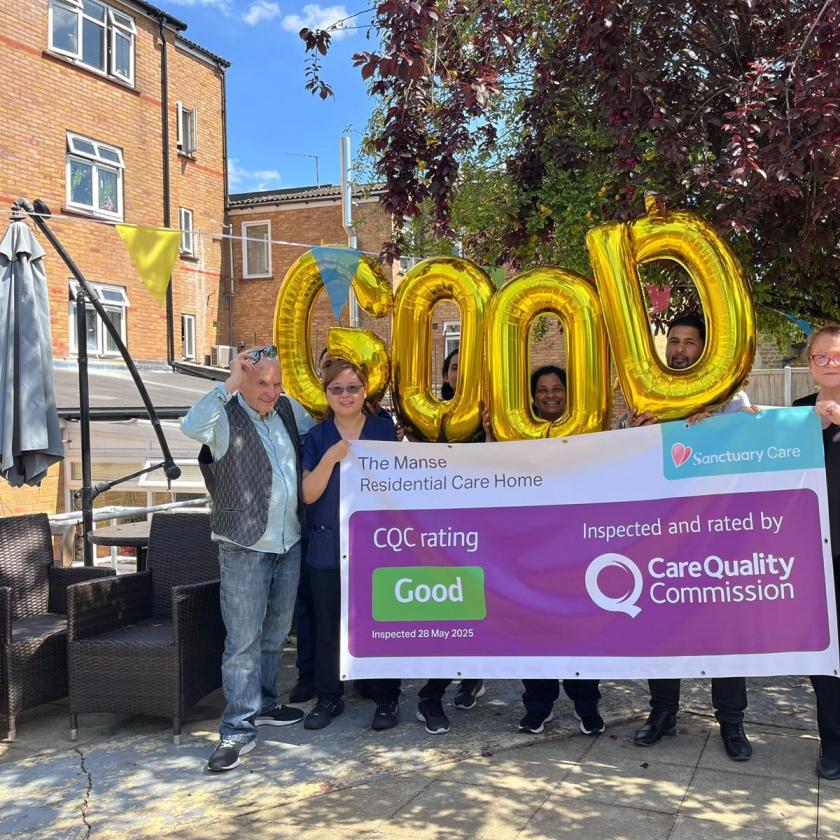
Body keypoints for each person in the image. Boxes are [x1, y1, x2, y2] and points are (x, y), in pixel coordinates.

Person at [624, 313, 753, 761]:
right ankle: (663, 713)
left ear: (705, 348)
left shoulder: (731, 400)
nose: (679, 349)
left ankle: (732, 724)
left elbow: (749, 452)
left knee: (723, 634)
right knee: (662, 627)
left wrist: (717, 427)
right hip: (662, 537)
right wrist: (633, 436)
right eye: (674, 342)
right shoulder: (648, 396)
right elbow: (620, 463)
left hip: (717, 536)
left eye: (689, 342)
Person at [182, 346, 315, 773]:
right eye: (262, 383)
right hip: (242, 546)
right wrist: (229, 384)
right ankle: (237, 728)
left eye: (277, 384)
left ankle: (264, 703)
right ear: (244, 380)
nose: (271, 392)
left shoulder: (289, 412)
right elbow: (190, 425)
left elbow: (326, 436)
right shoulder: (222, 418)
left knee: (275, 635)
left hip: (288, 541)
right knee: (242, 643)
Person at [301, 359, 402, 730]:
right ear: (326, 395)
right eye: (337, 389)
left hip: (377, 547)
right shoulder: (317, 437)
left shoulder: (383, 430)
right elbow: (309, 495)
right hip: (328, 548)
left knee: (380, 622)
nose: (345, 395)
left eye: (352, 388)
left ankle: (386, 697)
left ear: (365, 391)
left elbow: (399, 486)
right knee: (328, 626)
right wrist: (332, 456)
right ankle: (329, 697)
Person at [518, 365, 606, 736]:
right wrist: (490, 434)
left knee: (579, 630)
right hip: (531, 551)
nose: (550, 395)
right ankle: (539, 706)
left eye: (557, 388)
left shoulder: (589, 434)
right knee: (533, 631)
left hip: (577, 548)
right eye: (542, 390)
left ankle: (586, 704)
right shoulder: (515, 436)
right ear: (532, 397)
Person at [415, 345, 486, 734]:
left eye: (469, 365)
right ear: (445, 376)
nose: (462, 373)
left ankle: (471, 675)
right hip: (442, 534)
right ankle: (431, 694)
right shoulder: (424, 416)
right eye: (455, 367)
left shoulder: (497, 412)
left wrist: (492, 431)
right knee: (451, 613)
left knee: (481, 611)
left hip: (487, 532)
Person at [793, 324, 840, 780]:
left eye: (837, 355)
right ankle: (833, 745)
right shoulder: (799, 413)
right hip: (816, 554)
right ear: (810, 365)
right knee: (826, 657)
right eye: (820, 357)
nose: (830, 363)